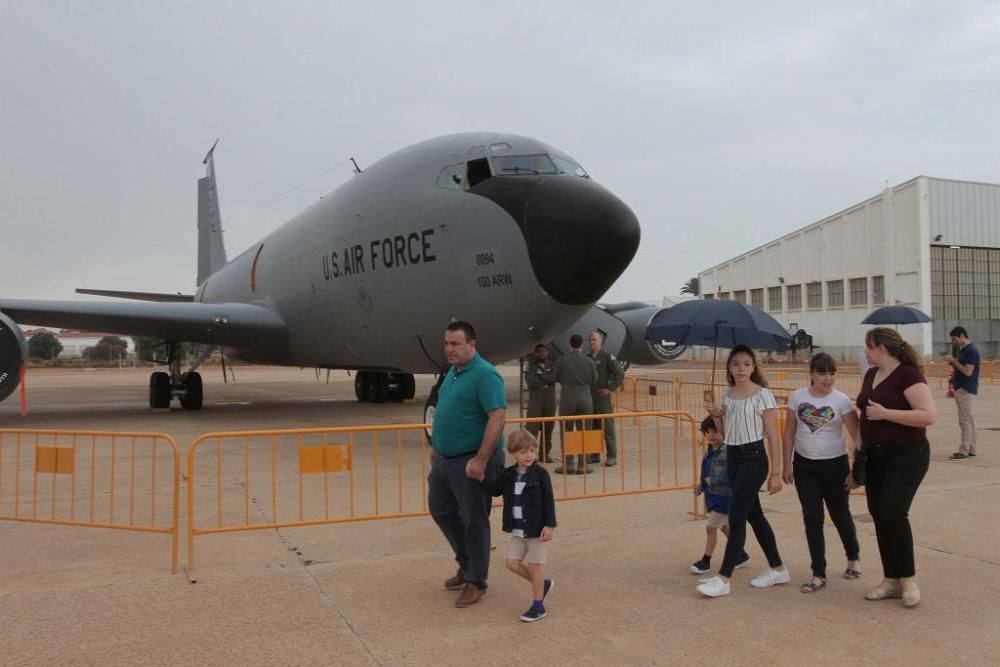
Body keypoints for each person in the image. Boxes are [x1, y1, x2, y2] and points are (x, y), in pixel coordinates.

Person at [696, 345, 789, 598]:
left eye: (746, 363)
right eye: (736, 363)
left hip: (754, 458)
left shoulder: (763, 395)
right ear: (729, 367)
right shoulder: (727, 396)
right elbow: (725, 433)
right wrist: (714, 413)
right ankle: (778, 568)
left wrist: (776, 472)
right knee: (754, 516)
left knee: (736, 517)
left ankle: (724, 578)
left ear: (754, 367)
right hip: (733, 458)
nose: (741, 368)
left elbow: (772, 435)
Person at [428, 321, 507, 608]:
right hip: (445, 460)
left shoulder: (485, 375)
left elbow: (497, 417)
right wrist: (437, 447)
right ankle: (466, 562)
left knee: (474, 520)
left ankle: (476, 581)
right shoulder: (454, 372)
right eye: (446, 343)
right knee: (441, 509)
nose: (449, 349)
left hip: (472, 460)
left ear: (472, 345)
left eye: (455, 344)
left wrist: (482, 459)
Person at [856, 327, 936, 608]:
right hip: (875, 456)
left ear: (881, 348)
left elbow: (927, 415)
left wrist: (886, 414)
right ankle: (891, 579)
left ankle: (908, 579)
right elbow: (863, 414)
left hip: (908, 455)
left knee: (893, 511)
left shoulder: (908, 375)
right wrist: (857, 450)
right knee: (879, 514)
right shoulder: (870, 374)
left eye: (868, 347)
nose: (865, 352)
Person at [782, 353, 862, 594]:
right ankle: (818, 572)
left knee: (840, 515)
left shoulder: (841, 401)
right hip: (805, 466)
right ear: (812, 374)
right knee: (812, 519)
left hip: (835, 466)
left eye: (831, 373)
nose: (827, 378)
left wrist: (856, 470)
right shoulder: (797, 397)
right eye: (822, 373)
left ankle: (853, 556)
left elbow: (857, 435)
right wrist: (786, 464)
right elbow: (788, 433)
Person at [484, 429, 557, 622]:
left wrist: (550, 525)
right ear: (513, 453)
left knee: (534, 567)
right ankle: (543, 584)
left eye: (532, 450)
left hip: (536, 530)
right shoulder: (508, 475)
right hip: (517, 530)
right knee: (512, 564)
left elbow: (549, 501)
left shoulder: (541, 475)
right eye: (524, 452)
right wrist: (484, 473)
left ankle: (538, 605)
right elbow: (495, 490)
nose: (529, 455)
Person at [691, 416, 750, 576]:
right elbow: (705, 472)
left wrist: (714, 482)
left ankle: (705, 560)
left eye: (715, 431)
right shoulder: (709, 451)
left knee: (711, 528)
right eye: (707, 432)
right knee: (724, 526)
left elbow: (731, 475)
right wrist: (701, 486)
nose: (711, 435)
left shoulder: (728, 452)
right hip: (712, 496)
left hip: (724, 497)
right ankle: (740, 553)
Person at [553, 334, 598, 475]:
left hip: (568, 397)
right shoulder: (589, 361)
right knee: (584, 431)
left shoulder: (562, 360)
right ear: (582, 345)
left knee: (567, 431)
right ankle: (583, 464)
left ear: (570, 345)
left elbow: (555, 377)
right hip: (585, 397)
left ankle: (568, 464)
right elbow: (594, 379)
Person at [587, 331, 625, 466]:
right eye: (590, 340)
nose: (591, 342)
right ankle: (594, 454)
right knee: (593, 428)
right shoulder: (587, 358)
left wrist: (610, 389)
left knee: (607, 428)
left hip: (602, 400)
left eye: (594, 340)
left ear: (600, 342)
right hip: (590, 399)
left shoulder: (607, 357)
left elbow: (620, 374)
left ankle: (612, 456)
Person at [943, 326, 980, 460]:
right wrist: (953, 364)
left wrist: (954, 361)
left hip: (966, 388)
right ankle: (971, 448)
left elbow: (968, 372)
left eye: (955, 339)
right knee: (969, 420)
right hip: (961, 387)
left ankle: (964, 450)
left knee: (964, 420)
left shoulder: (971, 351)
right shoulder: (964, 350)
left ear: (962, 336)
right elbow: (961, 368)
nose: (954, 342)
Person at [524, 344, 557, 463]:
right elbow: (531, 381)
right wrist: (546, 380)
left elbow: (553, 378)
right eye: (538, 352)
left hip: (549, 403)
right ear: (535, 354)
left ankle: (545, 454)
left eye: (543, 351)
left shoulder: (552, 365)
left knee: (548, 429)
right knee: (532, 430)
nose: (541, 353)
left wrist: (541, 375)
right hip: (536, 403)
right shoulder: (530, 367)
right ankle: (529, 455)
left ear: (547, 353)